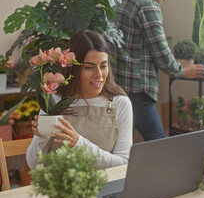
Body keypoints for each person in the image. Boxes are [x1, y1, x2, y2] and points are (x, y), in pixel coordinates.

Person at [26, 30, 133, 169]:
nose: (99, 75)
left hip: (105, 187)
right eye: (89, 67)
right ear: (74, 69)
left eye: (103, 66)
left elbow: (124, 163)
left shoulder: (120, 103)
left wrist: (79, 144)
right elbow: (34, 165)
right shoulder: (54, 100)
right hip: (60, 187)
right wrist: (41, 137)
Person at [112, 0, 204, 141]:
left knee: (123, 146)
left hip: (117, 88)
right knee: (158, 142)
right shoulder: (146, 5)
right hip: (137, 90)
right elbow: (160, 52)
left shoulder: (119, 2)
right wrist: (182, 71)